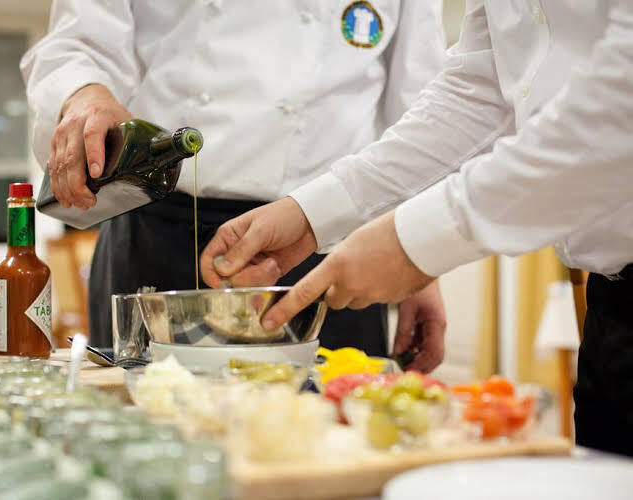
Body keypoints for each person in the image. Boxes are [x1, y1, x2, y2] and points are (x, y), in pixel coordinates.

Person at [201, 1, 633, 455]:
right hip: (611, 311)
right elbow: (478, 91)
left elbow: (619, 109)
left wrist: (415, 242)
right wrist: (311, 214)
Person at [21, 0, 448, 368]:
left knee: (329, 422)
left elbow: (419, 103)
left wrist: (422, 263)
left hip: (329, 245)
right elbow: (78, 38)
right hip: (155, 232)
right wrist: (84, 94)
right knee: (142, 420)